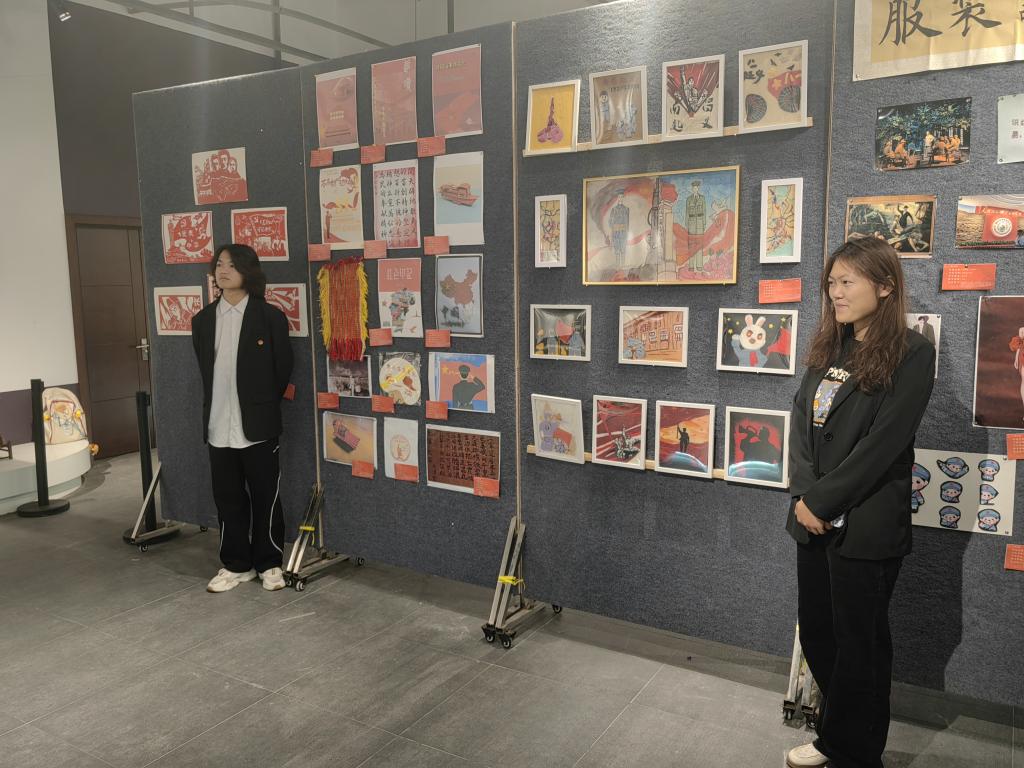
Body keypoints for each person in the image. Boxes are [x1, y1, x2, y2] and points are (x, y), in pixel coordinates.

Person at [785, 236, 936, 768]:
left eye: (847, 282)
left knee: (860, 645)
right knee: (819, 632)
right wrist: (805, 495)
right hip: (812, 517)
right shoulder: (832, 346)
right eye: (831, 283)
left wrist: (822, 500)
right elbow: (801, 422)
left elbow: (884, 444)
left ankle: (856, 752)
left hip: (865, 523)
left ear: (885, 286)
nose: (835, 293)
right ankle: (838, 736)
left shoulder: (913, 352)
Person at [192, 243, 294, 593]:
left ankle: (269, 563)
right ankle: (236, 565)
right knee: (228, 499)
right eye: (220, 264)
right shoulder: (203, 321)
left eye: (232, 265)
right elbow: (206, 370)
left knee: (267, 497)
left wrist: (261, 405)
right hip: (218, 425)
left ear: (248, 272)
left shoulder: (270, 317)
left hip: (258, 426)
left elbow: (283, 369)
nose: (223, 271)